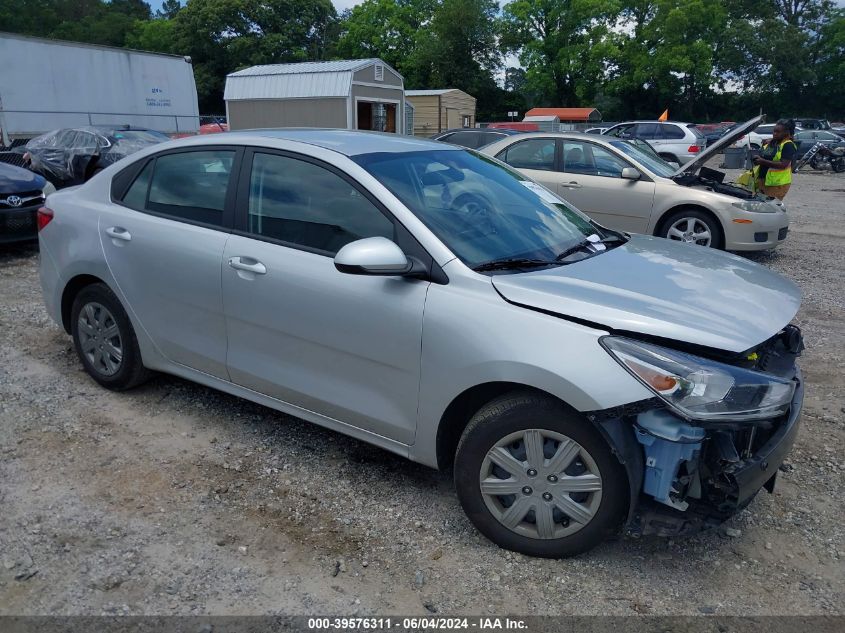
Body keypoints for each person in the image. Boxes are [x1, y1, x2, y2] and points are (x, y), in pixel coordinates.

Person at [753, 119, 797, 200]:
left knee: (770, 208)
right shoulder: (772, 142)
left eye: (778, 132)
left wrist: (762, 161)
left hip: (778, 184)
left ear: (786, 133)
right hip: (764, 180)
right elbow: (765, 156)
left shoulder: (788, 145)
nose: (774, 134)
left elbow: (783, 164)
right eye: (774, 131)